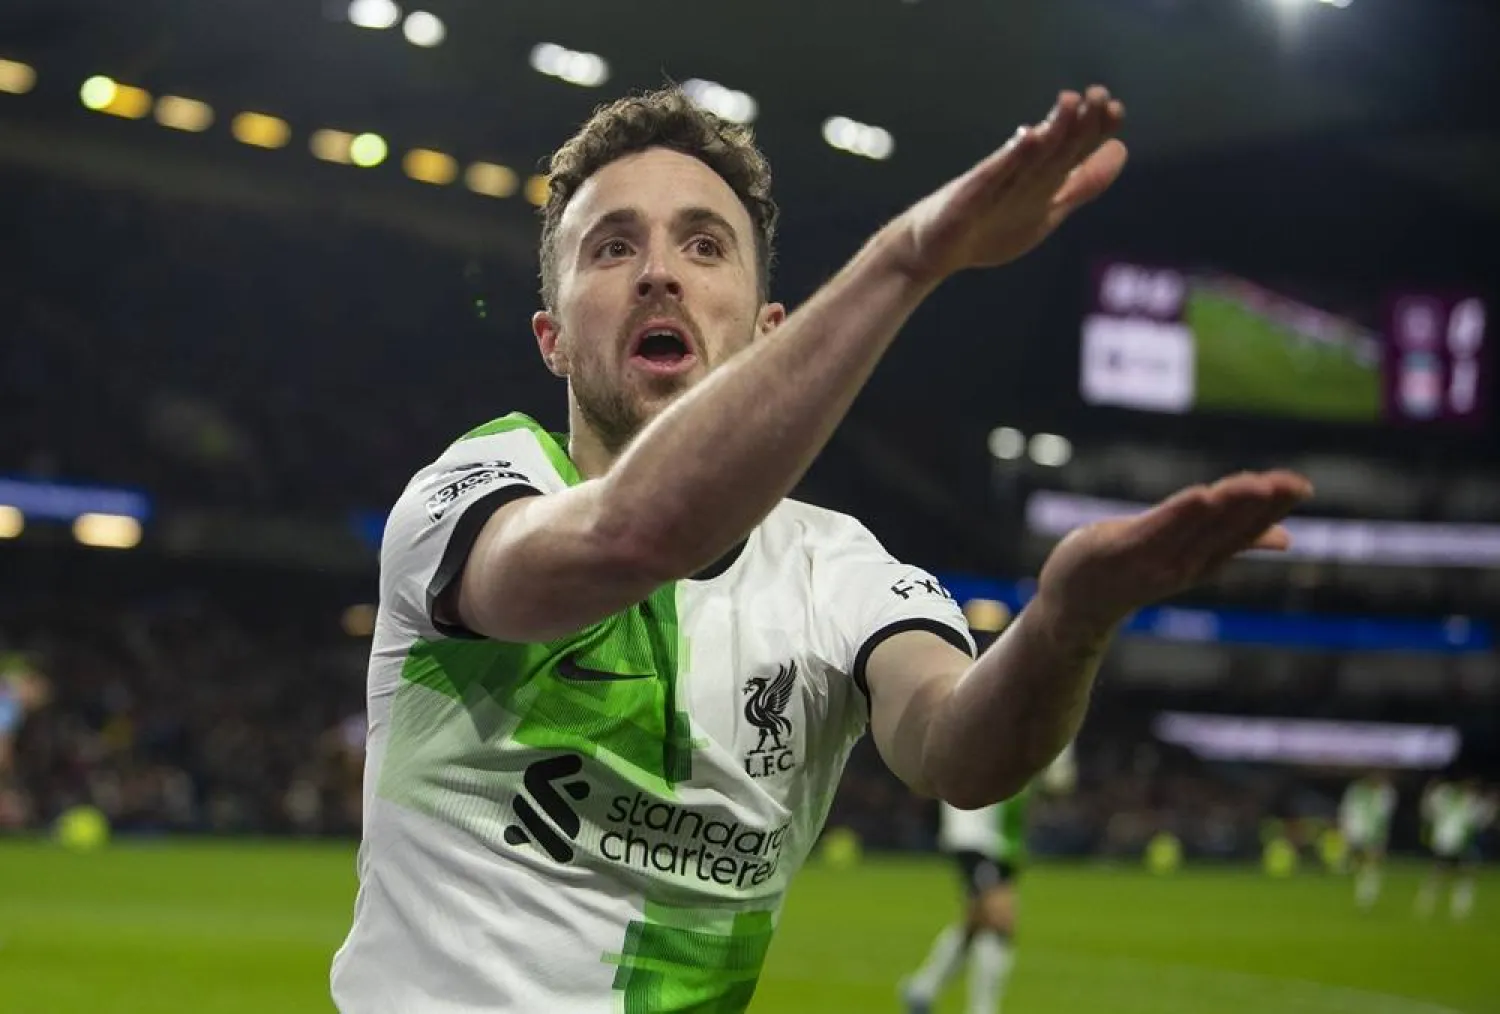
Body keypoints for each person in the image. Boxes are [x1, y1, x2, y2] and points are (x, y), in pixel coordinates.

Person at [330, 84, 1311, 1013]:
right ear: (551, 336)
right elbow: (634, 536)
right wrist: (908, 261)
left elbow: (960, 753)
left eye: (705, 245)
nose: (659, 271)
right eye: (611, 247)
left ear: (772, 335)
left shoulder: (841, 572)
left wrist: (1068, 625)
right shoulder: (474, 493)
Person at [901, 741, 1076, 1014]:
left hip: (1005, 838)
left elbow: (1056, 783)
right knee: (1000, 919)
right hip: (972, 832)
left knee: (977, 921)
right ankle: (982, 1009)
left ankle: (923, 988)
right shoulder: (1001, 710)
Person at [1416, 777, 1496, 920]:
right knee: (1462, 874)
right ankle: (1457, 909)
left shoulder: (1447, 797)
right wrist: (1492, 805)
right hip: (1458, 842)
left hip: (1445, 841)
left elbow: (1428, 809)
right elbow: (1483, 822)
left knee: (1443, 872)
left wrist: (1429, 791)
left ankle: (1428, 904)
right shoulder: (1471, 803)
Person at [1338, 770, 1396, 909]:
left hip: (1374, 834)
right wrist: (1346, 829)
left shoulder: (1385, 793)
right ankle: (1363, 890)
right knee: (1360, 862)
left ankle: (1368, 893)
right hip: (1358, 832)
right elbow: (1347, 810)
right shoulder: (1356, 791)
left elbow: (1385, 814)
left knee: (1372, 862)